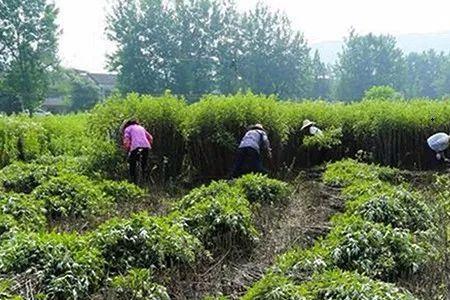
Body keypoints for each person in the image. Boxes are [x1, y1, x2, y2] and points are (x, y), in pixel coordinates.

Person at [122, 119, 153, 183]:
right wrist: (147, 145)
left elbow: (126, 141)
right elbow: (150, 137)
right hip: (146, 147)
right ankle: (145, 180)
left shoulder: (127, 129)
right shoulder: (141, 128)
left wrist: (127, 149)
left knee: (132, 164)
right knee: (144, 165)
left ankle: (133, 181)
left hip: (136, 147)